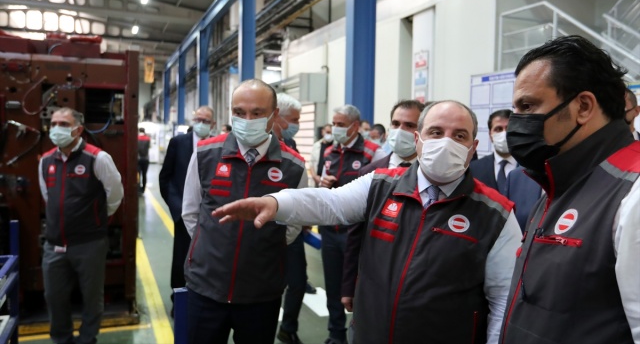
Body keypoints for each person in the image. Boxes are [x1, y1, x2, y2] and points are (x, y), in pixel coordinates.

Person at [214, 100, 522, 344]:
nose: (446, 143)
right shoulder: (381, 184)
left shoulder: (495, 214)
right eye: (436, 132)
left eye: (459, 136)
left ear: (472, 148)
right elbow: (330, 203)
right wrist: (276, 202)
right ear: (418, 140)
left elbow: (503, 302)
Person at [499, 35, 640, 343]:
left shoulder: (633, 191)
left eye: (528, 106)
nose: (516, 122)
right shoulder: (558, 180)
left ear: (583, 107)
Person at [181, 79, 307, 344]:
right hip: (206, 287)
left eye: (257, 113)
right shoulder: (205, 154)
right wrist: (214, 244)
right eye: (239, 112)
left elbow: (294, 224)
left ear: (274, 115)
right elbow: (191, 212)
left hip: (261, 293)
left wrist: (261, 247)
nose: (247, 120)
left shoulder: (293, 166)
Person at [39, 107, 124, 344]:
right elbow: (48, 196)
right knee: (54, 297)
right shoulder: (46, 161)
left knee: (92, 298)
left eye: (63, 124)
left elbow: (115, 195)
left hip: (89, 243)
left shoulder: (98, 158)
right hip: (54, 245)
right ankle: (61, 339)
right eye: (53, 124)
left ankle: (87, 338)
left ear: (78, 130)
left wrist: (95, 220)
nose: (56, 129)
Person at [341, 99, 424, 314]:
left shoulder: (431, 174)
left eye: (409, 125)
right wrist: (349, 285)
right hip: (374, 279)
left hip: (416, 284)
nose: (400, 130)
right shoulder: (370, 172)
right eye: (395, 124)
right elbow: (355, 235)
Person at [315, 104, 385, 344]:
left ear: (355, 126)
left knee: (360, 287)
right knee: (333, 286)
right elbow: (321, 184)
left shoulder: (373, 153)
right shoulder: (329, 151)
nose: (335, 128)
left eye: (341, 124)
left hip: (357, 234)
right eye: (334, 124)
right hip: (330, 230)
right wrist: (323, 184)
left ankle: (361, 334)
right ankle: (336, 334)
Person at [158, 105, 215, 316]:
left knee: (208, 258)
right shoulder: (178, 143)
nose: (201, 124)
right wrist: (178, 209)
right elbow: (166, 178)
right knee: (182, 259)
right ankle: (178, 300)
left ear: (213, 124)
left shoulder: (217, 146)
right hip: (183, 215)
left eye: (206, 121)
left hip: (210, 216)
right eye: (198, 119)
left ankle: (204, 298)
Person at [272, 93, 308, 344]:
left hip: (290, 227)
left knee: (297, 281)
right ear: (278, 117)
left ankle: (288, 328)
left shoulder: (292, 146)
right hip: (267, 226)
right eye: (294, 120)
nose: (297, 125)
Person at [469, 109, 515, 194]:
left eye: (509, 128)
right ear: (490, 135)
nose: (504, 134)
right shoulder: (474, 168)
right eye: (498, 129)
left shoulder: (530, 168)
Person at [137, 128, 151, 194]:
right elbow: (149, 147)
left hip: (138, 159)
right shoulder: (148, 138)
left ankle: (138, 188)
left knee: (138, 174)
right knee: (144, 174)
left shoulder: (136, 138)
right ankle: (143, 189)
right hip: (146, 159)